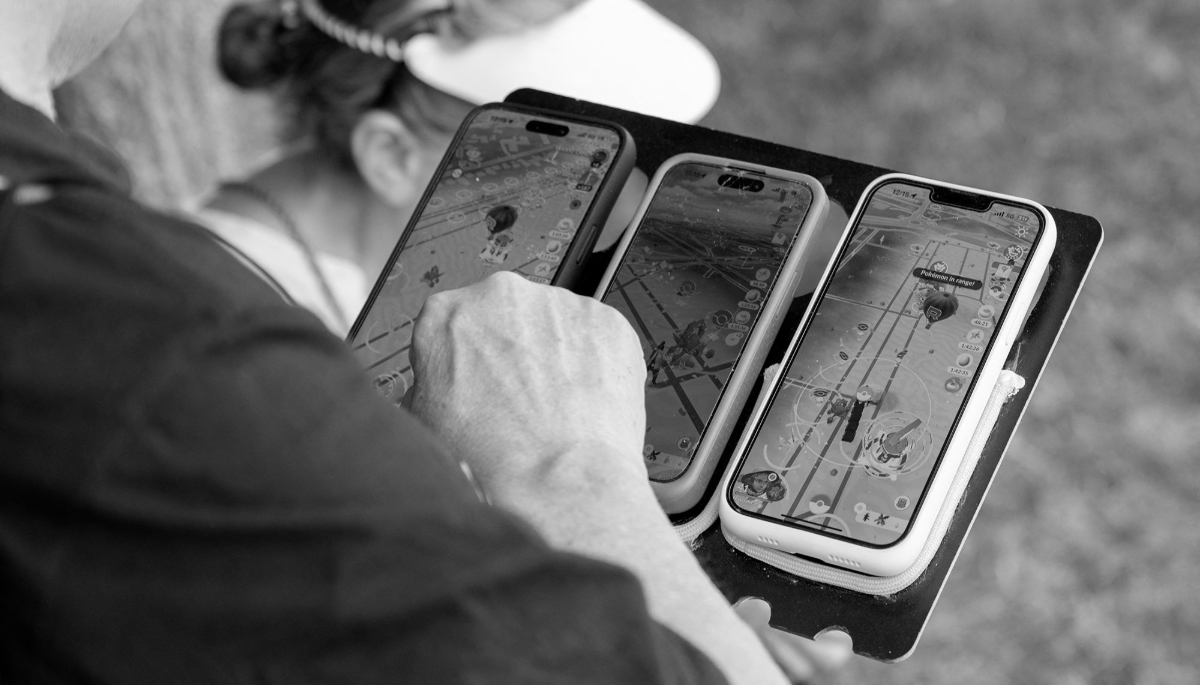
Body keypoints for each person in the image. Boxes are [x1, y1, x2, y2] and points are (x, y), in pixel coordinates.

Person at [0, 1, 790, 683]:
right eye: (592, 163)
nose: (635, 204)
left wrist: (672, 587)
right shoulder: (216, 366)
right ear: (391, 155)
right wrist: (574, 476)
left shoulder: (251, 298)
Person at [193, 0, 721, 333]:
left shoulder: (355, 287)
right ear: (391, 156)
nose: (620, 209)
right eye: (575, 174)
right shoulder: (245, 337)